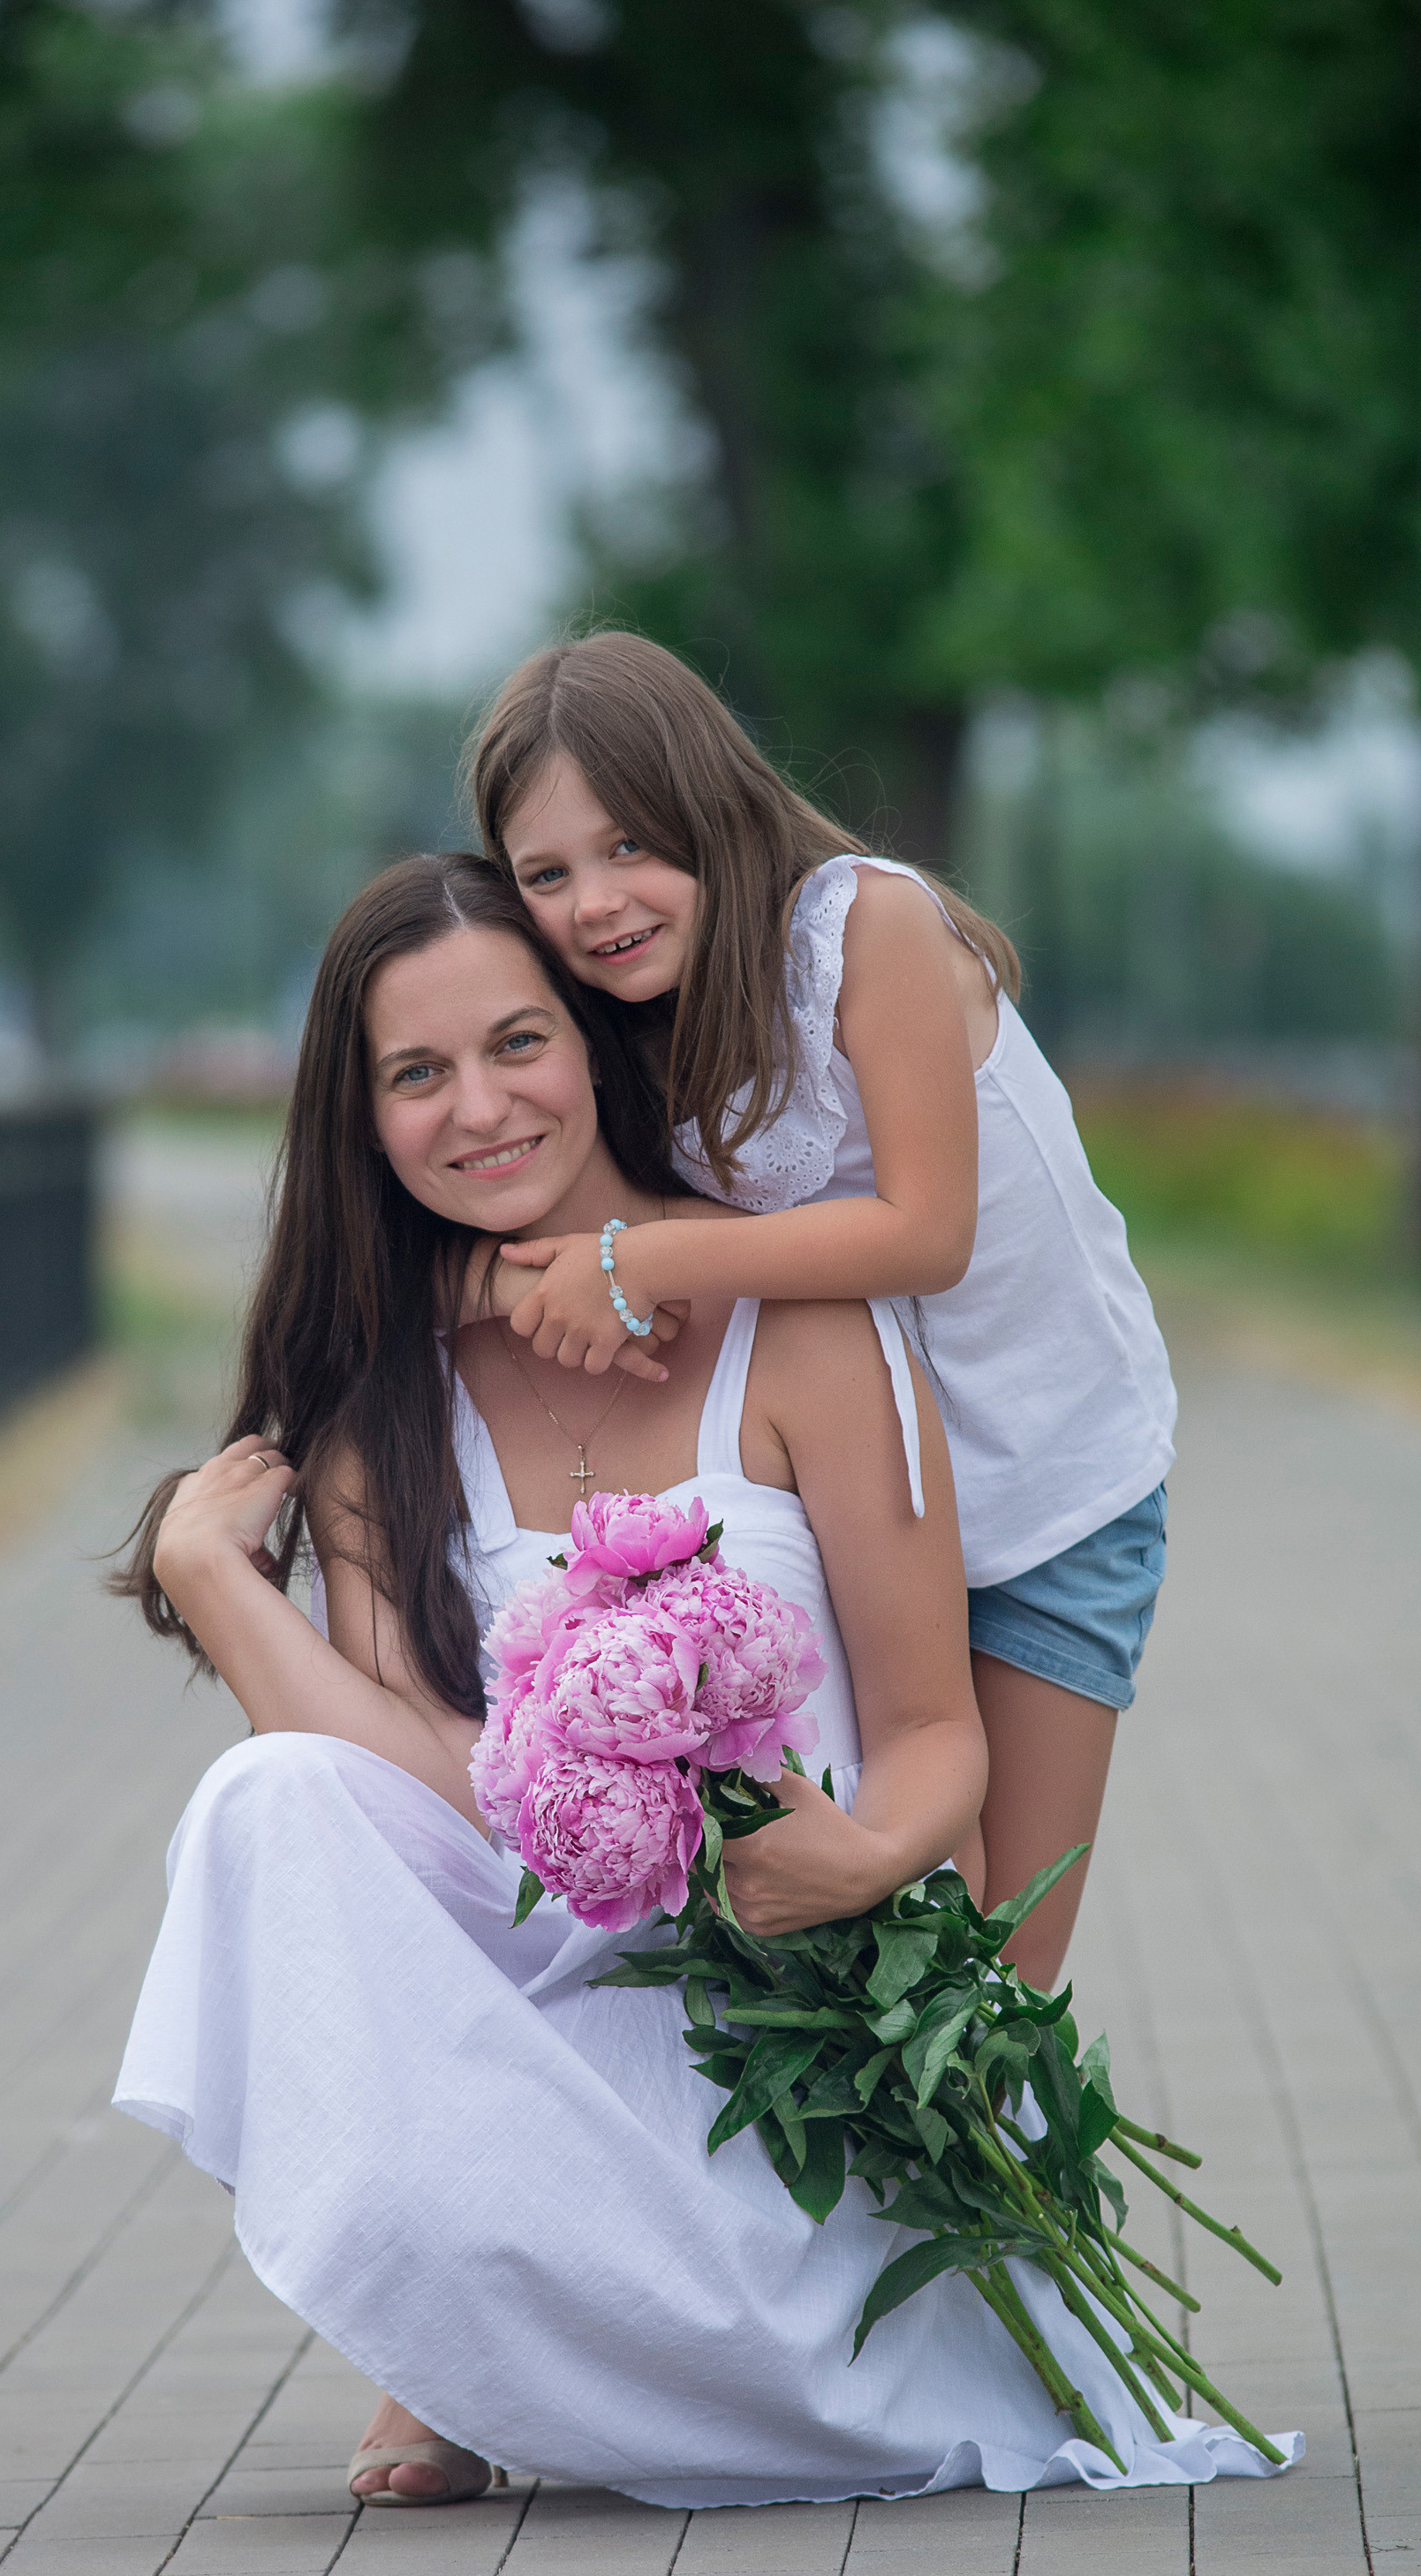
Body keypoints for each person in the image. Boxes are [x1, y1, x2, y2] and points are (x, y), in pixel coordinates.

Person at [111, 855, 1291, 2512]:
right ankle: (465, 2319)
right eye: (416, 1075)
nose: (480, 1110)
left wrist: (872, 1853)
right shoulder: (384, 1402)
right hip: (556, 2057)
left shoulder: (798, 1323)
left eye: (518, 1042)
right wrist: (208, 1578)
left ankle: (583, 2358)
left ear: (593, 1041)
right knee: (271, 1795)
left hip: (786, 2083)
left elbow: (945, 1735)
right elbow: (413, 1799)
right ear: (359, 1118)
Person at [467, 631, 1177, 1989]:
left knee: (992, 1985)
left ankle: (1017, 2204)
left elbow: (925, 1233)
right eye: (546, 874)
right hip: (866, 1520)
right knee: (870, 1959)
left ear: (710, 810)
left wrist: (642, 1262)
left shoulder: (864, 925)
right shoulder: (621, 1017)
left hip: (1049, 1496)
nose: (595, 903)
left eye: (629, 847)